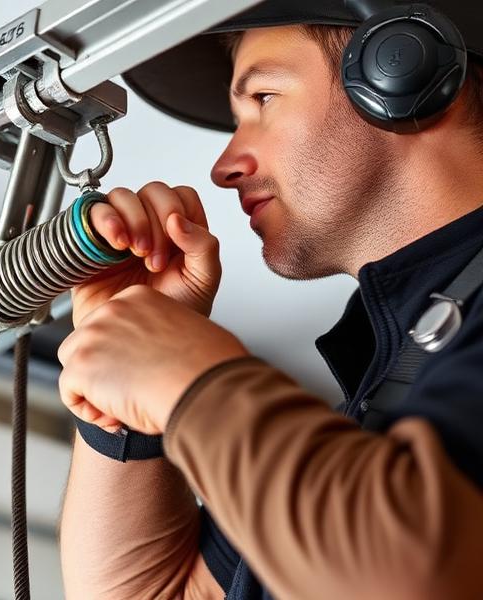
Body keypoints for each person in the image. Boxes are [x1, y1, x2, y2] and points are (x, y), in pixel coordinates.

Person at [56, 2, 483, 599]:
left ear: (404, 70)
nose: (224, 166)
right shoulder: (368, 419)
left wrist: (185, 376)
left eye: (262, 100)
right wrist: (124, 394)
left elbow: (421, 575)